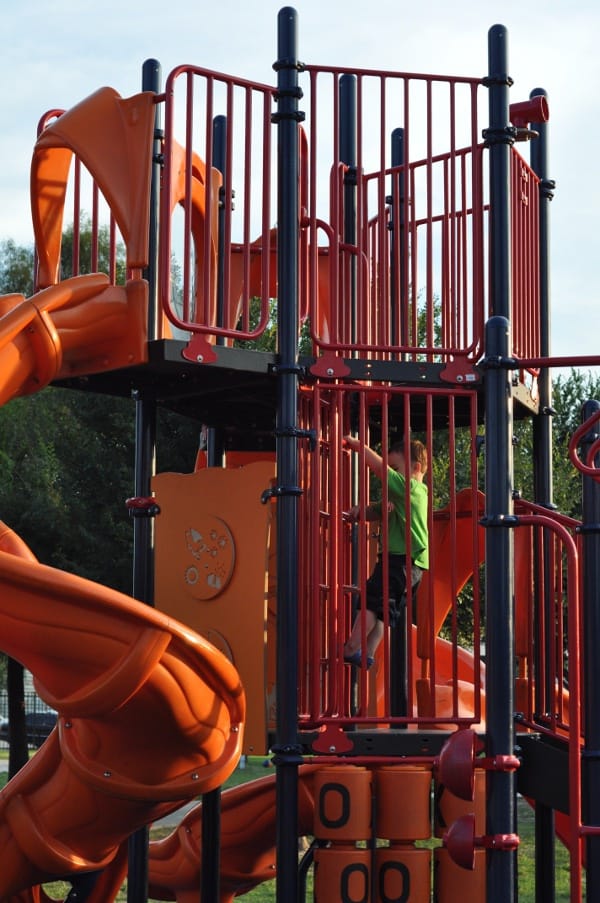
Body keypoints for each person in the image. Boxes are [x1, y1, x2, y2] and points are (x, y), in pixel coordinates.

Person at [342, 435, 429, 669]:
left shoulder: (411, 488)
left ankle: (351, 647)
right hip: (413, 565)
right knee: (383, 610)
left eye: (396, 468)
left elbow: (381, 471)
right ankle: (367, 653)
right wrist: (359, 513)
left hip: (399, 561)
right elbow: (377, 510)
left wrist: (361, 448)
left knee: (371, 601)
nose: (392, 473)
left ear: (416, 468)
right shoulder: (404, 497)